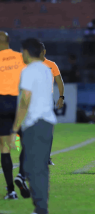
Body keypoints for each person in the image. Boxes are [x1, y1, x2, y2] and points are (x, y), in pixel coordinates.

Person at [9, 38, 57, 214]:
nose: (22, 55)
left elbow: (25, 99)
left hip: (34, 123)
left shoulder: (29, 71)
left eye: (22, 52)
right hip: (47, 122)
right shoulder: (46, 70)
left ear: (27, 52)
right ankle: (41, 206)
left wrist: (15, 128)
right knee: (41, 168)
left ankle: (40, 208)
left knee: (32, 166)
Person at [0, 31, 30, 200]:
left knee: (4, 149)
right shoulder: (19, 57)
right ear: (8, 41)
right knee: (25, 142)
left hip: (0, 106)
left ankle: (11, 191)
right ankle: (21, 176)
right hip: (14, 104)